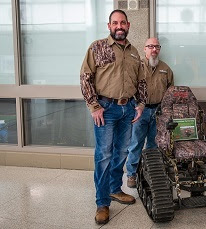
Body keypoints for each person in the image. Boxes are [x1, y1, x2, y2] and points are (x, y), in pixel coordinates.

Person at [80, 9, 147, 225]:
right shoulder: (97, 47)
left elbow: (142, 81)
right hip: (105, 110)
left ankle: (115, 189)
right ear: (109, 26)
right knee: (104, 156)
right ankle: (102, 203)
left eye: (123, 23)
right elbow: (85, 77)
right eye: (115, 23)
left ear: (128, 25)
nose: (119, 26)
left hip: (127, 109)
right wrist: (94, 106)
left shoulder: (135, 52)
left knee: (121, 152)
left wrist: (141, 104)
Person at [126, 37, 174, 188]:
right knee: (136, 143)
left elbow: (170, 92)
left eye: (157, 47)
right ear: (144, 49)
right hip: (140, 111)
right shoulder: (136, 66)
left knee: (154, 144)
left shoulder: (165, 69)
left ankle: (151, 171)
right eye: (150, 46)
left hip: (158, 112)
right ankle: (131, 174)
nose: (154, 49)